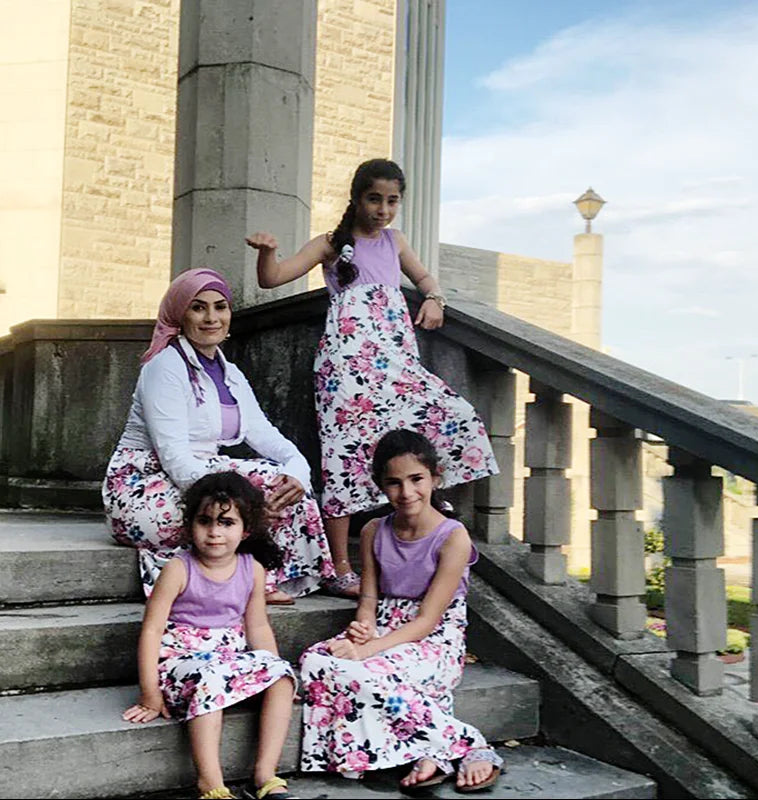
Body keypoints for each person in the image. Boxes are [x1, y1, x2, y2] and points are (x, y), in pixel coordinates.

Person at [246, 158, 497, 598]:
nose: (383, 209)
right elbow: (274, 279)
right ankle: (340, 565)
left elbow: (422, 276)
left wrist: (434, 297)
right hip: (345, 368)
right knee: (344, 457)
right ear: (357, 198)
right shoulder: (332, 243)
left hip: (395, 362)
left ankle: (429, 506)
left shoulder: (395, 242)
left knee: (454, 416)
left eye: (392, 201)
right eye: (375, 199)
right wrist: (268, 252)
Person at [103, 267, 334, 604]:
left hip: (204, 471)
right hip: (143, 483)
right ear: (179, 315)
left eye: (220, 307)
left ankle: (266, 575)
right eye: (198, 307)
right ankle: (231, 579)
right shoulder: (164, 366)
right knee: (224, 513)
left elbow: (267, 436)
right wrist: (241, 500)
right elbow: (175, 459)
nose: (211, 317)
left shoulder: (231, 374)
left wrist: (298, 472)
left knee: (285, 486)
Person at [298, 429, 503, 793]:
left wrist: (366, 650)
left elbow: (427, 621)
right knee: (317, 661)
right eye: (394, 483)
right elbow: (369, 600)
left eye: (416, 479)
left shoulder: (452, 536)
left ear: (435, 478)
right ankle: (430, 750)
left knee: (369, 674)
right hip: (384, 628)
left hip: (433, 639)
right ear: (380, 485)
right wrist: (363, 629)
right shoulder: (375, 530)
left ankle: (468, 742)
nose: (406, 493)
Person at [122, 471, 297, 800]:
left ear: (245, 529)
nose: (215, 532)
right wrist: (149, 692)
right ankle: (212, 786)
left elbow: (257, 626)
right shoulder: (179, 568)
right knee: (212, 679)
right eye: (205, 521)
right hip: (182, 666)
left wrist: (271, 670)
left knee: (283, 676)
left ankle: (265, 777)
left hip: (228, 660)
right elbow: (152, 630)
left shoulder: (252, 569)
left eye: (227, 522)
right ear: (191, 526)